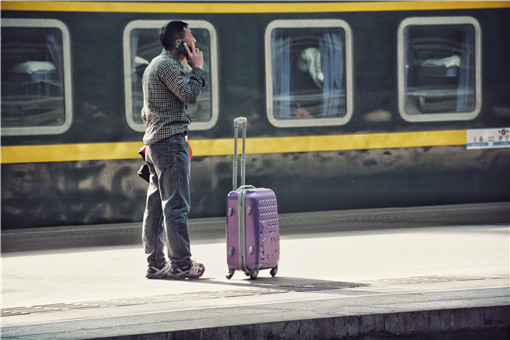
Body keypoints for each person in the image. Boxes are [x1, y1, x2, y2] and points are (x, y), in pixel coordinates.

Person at [141, 20, 205, 279]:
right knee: (176, 206)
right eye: (191, 39)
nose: (195, 44)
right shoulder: (167, 65)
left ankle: (156, 264)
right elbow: (189, 95)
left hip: (156, 143)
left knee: (156, 208)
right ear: (180, 43)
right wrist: (197, 69)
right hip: (169, 143)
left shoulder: (153, 66)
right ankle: (181, 264)